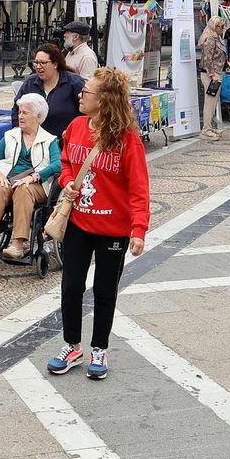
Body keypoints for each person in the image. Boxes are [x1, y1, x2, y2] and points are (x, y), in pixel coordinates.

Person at [48, 67, 149, 381]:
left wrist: (139, 229)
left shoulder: (127, 139)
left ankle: (100, 349)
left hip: (113, 229)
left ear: (104, 100)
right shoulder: (76, 127)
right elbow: (66, 161)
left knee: (105, 291)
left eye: (86, 92)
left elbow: (138, 187)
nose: (80, 95)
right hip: (78, 222)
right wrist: (66, 181)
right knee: (71, 286)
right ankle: (72, 345)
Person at [0, 93, 61, 260]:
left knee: (24, 189)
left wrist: (35, 176)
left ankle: (18, 244)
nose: (20, 116)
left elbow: (58, 165)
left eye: (25, 113)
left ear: (38, 116)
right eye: (20, 112)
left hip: (36, 185)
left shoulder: (49, 140)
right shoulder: (11, 136)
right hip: (10, 180)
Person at [13, 43, 85, 137]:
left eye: (43, 63)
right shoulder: (30, 83)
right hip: (34, 141)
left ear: (55, 64)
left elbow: (86, 113)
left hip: (64, 141)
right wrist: (17, 127)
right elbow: (16, 108)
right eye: (36, 63)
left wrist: (74, 131)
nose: (38, 67)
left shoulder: (74, 83)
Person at [198, 16, 228, 140]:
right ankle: (206, 129)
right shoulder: (210, 39)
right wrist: (212, 74)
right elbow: (207, 59)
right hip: (211, 74)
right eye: (221, 26)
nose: (223, 28)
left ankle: (209, 126)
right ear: (214, 27)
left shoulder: (217, 38)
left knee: (213, 102)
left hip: (217, 72)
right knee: (209, 103)